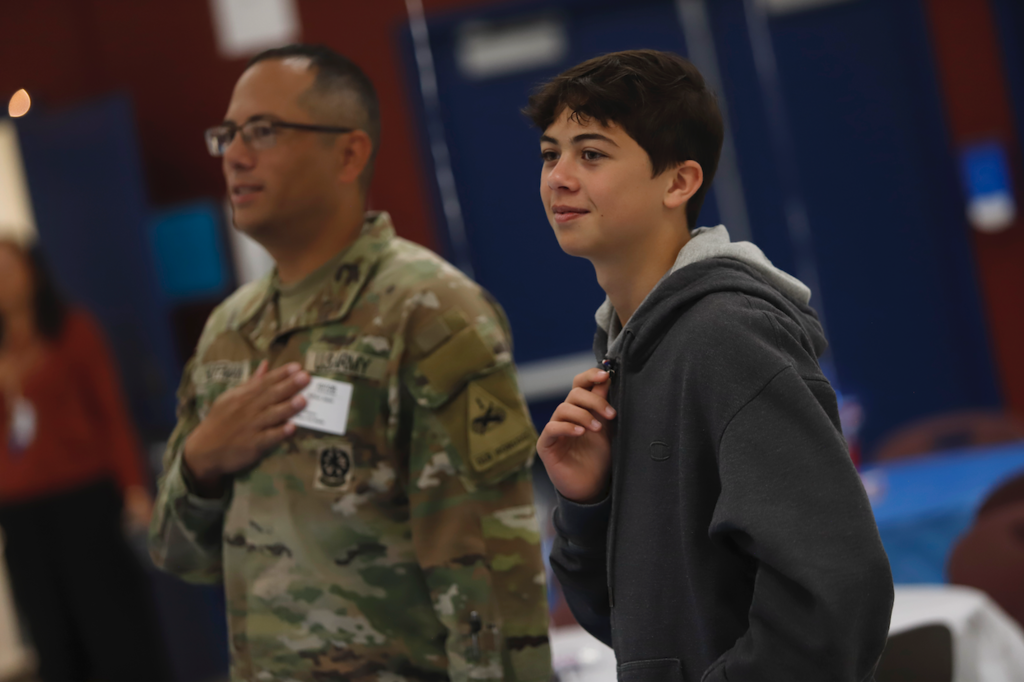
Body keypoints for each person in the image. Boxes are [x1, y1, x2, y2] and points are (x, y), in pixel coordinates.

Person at [149, 44, 552, 682]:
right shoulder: (228, 334)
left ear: (349, 152)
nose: (235, 153)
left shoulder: (427, 311)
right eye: (227, 134)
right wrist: (198, 464)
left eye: (262, 131)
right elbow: (181, 556)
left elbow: (490, 569)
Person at [529, 50, 894, 681]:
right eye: (549, 153)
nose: (559, 176)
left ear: (679, 182)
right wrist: (587, 501)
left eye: (591, 154)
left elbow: (836, 594)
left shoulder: (724, 334)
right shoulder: (630, 346)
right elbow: (634, 624)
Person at [0, 239, 168, 681]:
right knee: (51, 633)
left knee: (113, 626)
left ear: (31, 274)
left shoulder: (74, 332)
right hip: (22, 512)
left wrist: (134, 489)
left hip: (84, 500)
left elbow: (112, 414)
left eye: (7, 270)